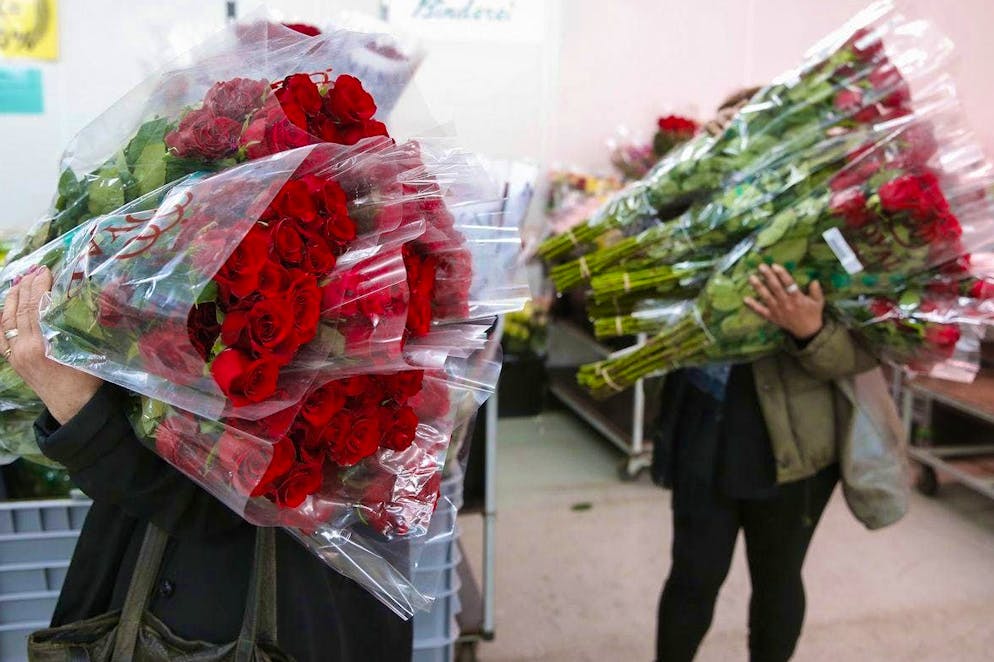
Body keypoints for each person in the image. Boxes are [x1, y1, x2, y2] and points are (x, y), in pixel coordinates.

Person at [3, 266, 412, 661]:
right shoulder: (386, 257)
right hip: (329, 587)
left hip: (231, 601)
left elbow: (219, 498)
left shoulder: (361, 260)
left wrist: (81, 412)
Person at [652, 262, 878, 662]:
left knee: (778, 579)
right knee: (693, 576)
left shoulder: (844, 240)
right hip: (705, 421)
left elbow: (863, 352)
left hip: (795, 440)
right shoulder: (705, 209)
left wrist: (810, 330)